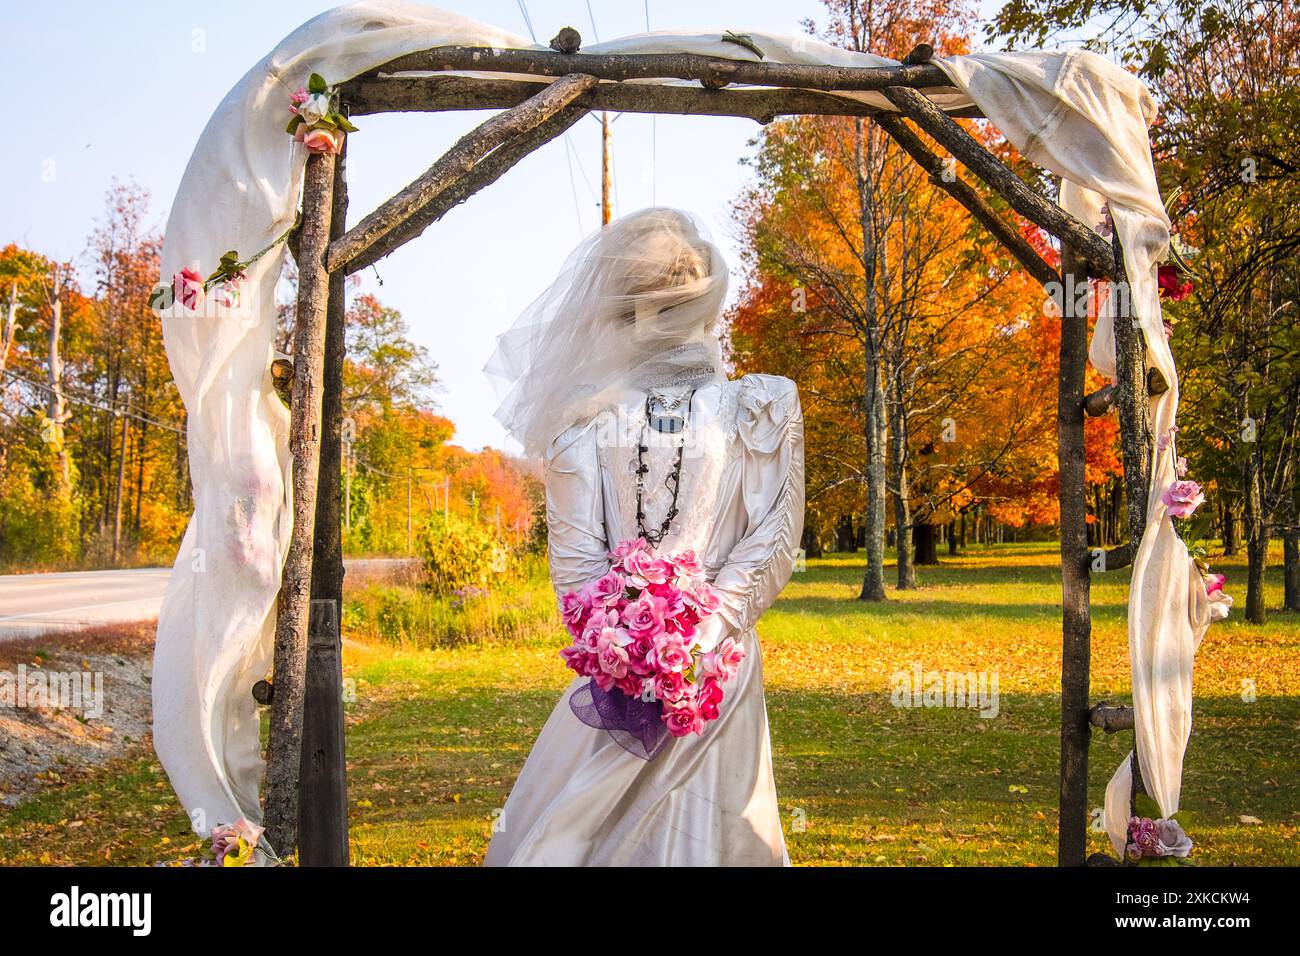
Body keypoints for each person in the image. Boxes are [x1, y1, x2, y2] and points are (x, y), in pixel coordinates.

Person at [483, 208, 804, 865]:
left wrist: (684, 646)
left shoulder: (762, 406)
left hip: (707, 678)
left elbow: (773, 539)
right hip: (631, 684)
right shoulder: (584, 422)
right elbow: (576, 569)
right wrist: (641, 657)